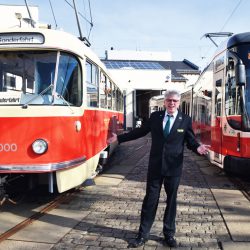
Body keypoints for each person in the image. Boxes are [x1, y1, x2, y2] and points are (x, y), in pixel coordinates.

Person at [108, 90, 209, 248]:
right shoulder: (156, 117)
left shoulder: (185, 120)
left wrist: (198, 148)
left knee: (171, 201)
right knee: (150, 200)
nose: (171, 103)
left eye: (175, 101)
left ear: (179, 102)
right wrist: (119, 138)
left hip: (173, 168)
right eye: (169, 100)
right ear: (164, 102)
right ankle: (143, 235)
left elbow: (190, 140)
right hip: (155, 167)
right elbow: (140, 132)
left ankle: (169, 234)